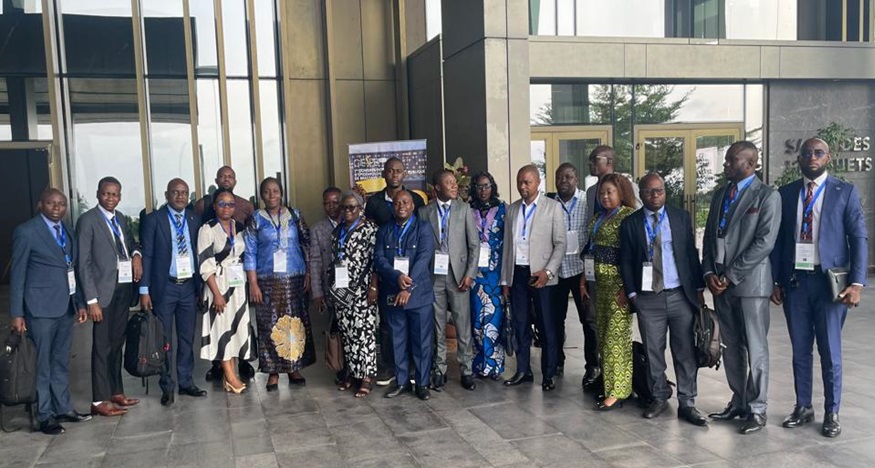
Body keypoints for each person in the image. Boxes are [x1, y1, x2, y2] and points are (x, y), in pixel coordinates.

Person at [770, 137, 868, 438]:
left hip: (830, 286)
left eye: (818, 153)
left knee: (830, 351)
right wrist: (776, 280)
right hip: (796, 283)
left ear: (828, 158)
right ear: (799, 159)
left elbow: (858, 238)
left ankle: (831, 412)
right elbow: (779, 241)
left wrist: (857, 283)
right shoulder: (786, 193)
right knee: (800, 350)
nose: (812, 157)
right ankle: (803, 406)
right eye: (807, 153)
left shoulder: (844, 192)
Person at [702, 141, 781, 435]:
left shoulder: (767, 196)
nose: (725, 164)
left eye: (731, 160)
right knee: (730, 346)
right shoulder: (720, 194)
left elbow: (764, 243)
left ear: (750, 163)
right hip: (720, 285)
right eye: (726, 160)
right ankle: (739, 401)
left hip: (750, 284)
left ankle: (757, 409)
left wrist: (731, 275)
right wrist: (709, 272)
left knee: (756, 348)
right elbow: (709, 237)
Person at [619, 173, 708, 426]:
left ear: (665, 192)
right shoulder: (631, 223)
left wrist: (698, 288)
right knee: (653, 351)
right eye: (649, 191)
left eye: (659, 190)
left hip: (680, 295)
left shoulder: (680, 217)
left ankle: (687, 402)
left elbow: (690, 254)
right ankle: (658, 396)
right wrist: (633, 294)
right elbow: (626, 260)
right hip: (648, 298)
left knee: (685, 351)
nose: (655, 195)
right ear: (641, 194)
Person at [10, 189, 92, 434]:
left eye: (61, 204)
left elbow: (72, 269)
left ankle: (63, 408)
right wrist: (17, 313)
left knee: (61, 361)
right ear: (40, 205)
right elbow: (18, 275)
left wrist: (79, 303)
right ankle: (44, 415)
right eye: (51, 203)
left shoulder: (67, 229)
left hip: (65, 307)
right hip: (40, 309)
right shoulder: (27, 232)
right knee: (42, 364)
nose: (57, 208)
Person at [76, 176, 143, 417]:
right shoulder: (87, 220)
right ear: (98, 194)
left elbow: (131, 243)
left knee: (116, 344)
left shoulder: (121, 218)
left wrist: (136, 256)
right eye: (106, 193)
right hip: (102, 294)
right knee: (101, 347)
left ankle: (116, 391)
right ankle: (98, 400)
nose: (110, 198)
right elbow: (82, 263)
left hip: (123, 289)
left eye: (115, 194)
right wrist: (91, 300)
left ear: (120, 196)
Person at [140, 178, 207, 406]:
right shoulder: (153, 220)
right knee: (165, 340)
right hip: (165, 287)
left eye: (184, 192)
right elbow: (148, 255)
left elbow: (199, 252)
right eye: (176, 192)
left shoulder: (194, 219)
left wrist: (200, 287)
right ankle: (167, 385)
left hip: (188, 287)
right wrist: (144, 290)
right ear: (167, 195)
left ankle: (186, 382)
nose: (180, 196)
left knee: (187, 339)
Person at [244, 177, 315, 391]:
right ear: (261, 195)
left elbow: (307, 243)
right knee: (269, 325)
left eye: (275, 191)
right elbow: (249, 252)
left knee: (294, 324)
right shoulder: (255, 219)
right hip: (267, 280)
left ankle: (294, 368)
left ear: (281, 193)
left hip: (294, 278)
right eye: (267, 191)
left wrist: (309, 273)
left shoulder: (295, 215)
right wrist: (253, 283)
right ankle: (272, 372)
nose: (271, 195)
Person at [500, 165, 566, 391]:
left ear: (538, 182)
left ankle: (549, 373)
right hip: (518, 274)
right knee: (520, 324)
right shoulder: (512, 209)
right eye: (519, 182)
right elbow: (507, 247)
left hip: (541, 275)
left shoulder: (552, 208)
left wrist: (548, 272)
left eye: (527, 182)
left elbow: (560, 244)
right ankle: (523, 370)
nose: (522, 186)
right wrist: (505, 281)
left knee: (546, 325)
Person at [364, 157, 426, 386]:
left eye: (399, 171)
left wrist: (410, 281)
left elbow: (421, 242)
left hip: (412, 277)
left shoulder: (416, 199)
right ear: (384, 173)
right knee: (388, 325)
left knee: (414, 326)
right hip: (387, 274)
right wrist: (377, 280)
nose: (395, 175)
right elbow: (372, 244)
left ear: (404, 174)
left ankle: (413, 370)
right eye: (390, 171)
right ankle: (392, 367)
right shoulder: (374, 203)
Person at [419, 169, 479, 391]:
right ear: (437, 188)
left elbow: (474, 245)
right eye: (449, 183)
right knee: (438, 326)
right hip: (434, 277)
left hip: (459, 276)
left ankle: (466, 369)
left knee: (463, 324)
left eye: (455, 182)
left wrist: (470, 274)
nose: (455, 186)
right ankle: (440, 368)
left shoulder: (464, 209)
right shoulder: (424, 212)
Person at [194, 166, 255, 382]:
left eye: (230, 204)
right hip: (218, 284)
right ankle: (229, 376)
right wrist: (217, 294)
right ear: (214, 206)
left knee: (237, 328)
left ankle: (235, 370)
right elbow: (205, 264)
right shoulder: (207, 229)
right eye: (222, 204)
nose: (226, 208)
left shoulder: (240, 228)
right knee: (221, 329)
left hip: (237, 285)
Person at [581, 173, 637, 410]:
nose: (605, 196)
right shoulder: (598, 218)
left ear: (621, 193)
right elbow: (591, 251)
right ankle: (609, 383)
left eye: (610, 192)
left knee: (616, 337)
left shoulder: (628, 217)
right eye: (602, 193)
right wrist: (583, 281)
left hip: (617, 286)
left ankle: (619, 390)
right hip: (598, 285)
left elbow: (633, 255)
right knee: (603, 336)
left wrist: (627, 288)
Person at [376, 191, 436, 400]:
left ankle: (422, 383)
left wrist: (407, 287)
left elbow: (424, 258)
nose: (401, 206)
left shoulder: (424, 228)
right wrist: (397, 277)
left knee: (422, 342)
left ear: (413, 206)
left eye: (406, 202)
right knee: (397, 341)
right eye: (397, 203)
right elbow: (379, 259)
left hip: (418, 295)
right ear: (392, 206)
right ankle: (402, 382)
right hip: (393, 293)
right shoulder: (384, 230)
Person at [547, 163, 599, 382]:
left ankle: (592, 366)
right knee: (555, 320)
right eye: (559, 177)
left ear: (576, 179)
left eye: (568, 176)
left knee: (588, 321)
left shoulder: (587, 202)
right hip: (557, 270)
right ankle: (557, 362)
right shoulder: (549, 204)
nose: (563, 181)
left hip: (581, 271)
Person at [330, 191, 379, 397]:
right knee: (347, 332)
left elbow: (376, 261)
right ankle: (352, 373)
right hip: (341, 289)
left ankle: (366, 377)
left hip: (363, 289)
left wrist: (374, 287)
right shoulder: (338, 231)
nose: (347, 211)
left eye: (352, 207)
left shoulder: (370, 229)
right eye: (344, 207)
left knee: (363, 333)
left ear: (360, 208)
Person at [468, 172, 506, 380]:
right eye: (479, 186)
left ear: (493, 186)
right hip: (475, 274)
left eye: (486, 186)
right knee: (476, 319)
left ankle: (495, 366)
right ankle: (479, 364)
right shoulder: (468, 210)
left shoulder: (503, 209)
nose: (483, 190)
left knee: (495, 319)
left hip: (496, 274)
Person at [309, 187, 343, 383]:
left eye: (335, 202)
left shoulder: (352, 223)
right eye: (327, 203)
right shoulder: (317, 229)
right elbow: (314, 261)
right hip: (330, 288)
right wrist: (317, 292)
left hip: (352, 288)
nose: (331, 206)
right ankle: (340, 368)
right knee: (335, 329)